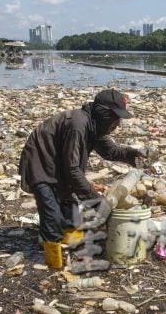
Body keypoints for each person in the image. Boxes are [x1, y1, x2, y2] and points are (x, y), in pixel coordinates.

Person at [19, 88, 145, 268]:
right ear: (104, 113)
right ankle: (53, 265)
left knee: (70, 216)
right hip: (40, 164)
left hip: (57, 167)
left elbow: (110, 151)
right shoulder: (78, 125)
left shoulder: (94, 126)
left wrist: (134, 154)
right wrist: (97, 202)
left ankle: (69, 247)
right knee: (52, 218)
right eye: (115, 118)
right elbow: (73, 170)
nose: (117, 124)